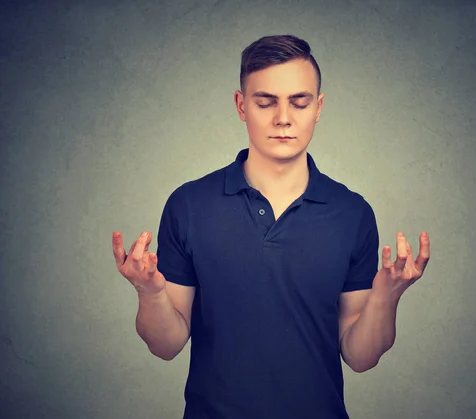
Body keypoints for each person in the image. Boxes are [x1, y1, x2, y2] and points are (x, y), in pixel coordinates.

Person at [111, 34, 430, 419]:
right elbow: (166, 345)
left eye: (300, 101)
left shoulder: (352, 213)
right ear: (241, 105)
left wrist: (387, 296)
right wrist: (149, 292)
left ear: (318, 107)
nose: (283, 118)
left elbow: (361, 358)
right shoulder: (189, 205)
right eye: (266, 102)